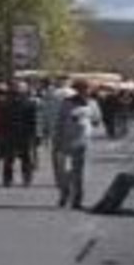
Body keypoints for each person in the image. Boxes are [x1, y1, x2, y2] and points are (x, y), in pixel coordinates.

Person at [53, 80, 101, 209]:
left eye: (87, 89)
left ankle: (78, 200)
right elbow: (59, 121)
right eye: (82, 89)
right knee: (65, 171)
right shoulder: (67, 103)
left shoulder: (93, 103)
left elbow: (97, 120)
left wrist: (88, 122)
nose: (85, 91)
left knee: (80, 173)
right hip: (67, 141)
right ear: (77, 90)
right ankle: (65, 193)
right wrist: (57, 140)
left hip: (84, 142)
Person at [0, 80, 38, 187]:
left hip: (18, 133)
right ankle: (21, 178)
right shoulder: (28, 103)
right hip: (17, 133)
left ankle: (15, 179)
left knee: (17, 157)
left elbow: (33, 120)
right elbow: (2, 119)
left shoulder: (8, 103)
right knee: (18, 158)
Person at [43, 77, 75, 188]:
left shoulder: (52, 95)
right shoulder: (74, 94)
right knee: (70, 155)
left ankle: (59, 178)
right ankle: (68, 177)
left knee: (57, 155)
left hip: (55, 129)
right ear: (68, 82)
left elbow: (46, 112)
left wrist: (46, 128)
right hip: (70, 130)